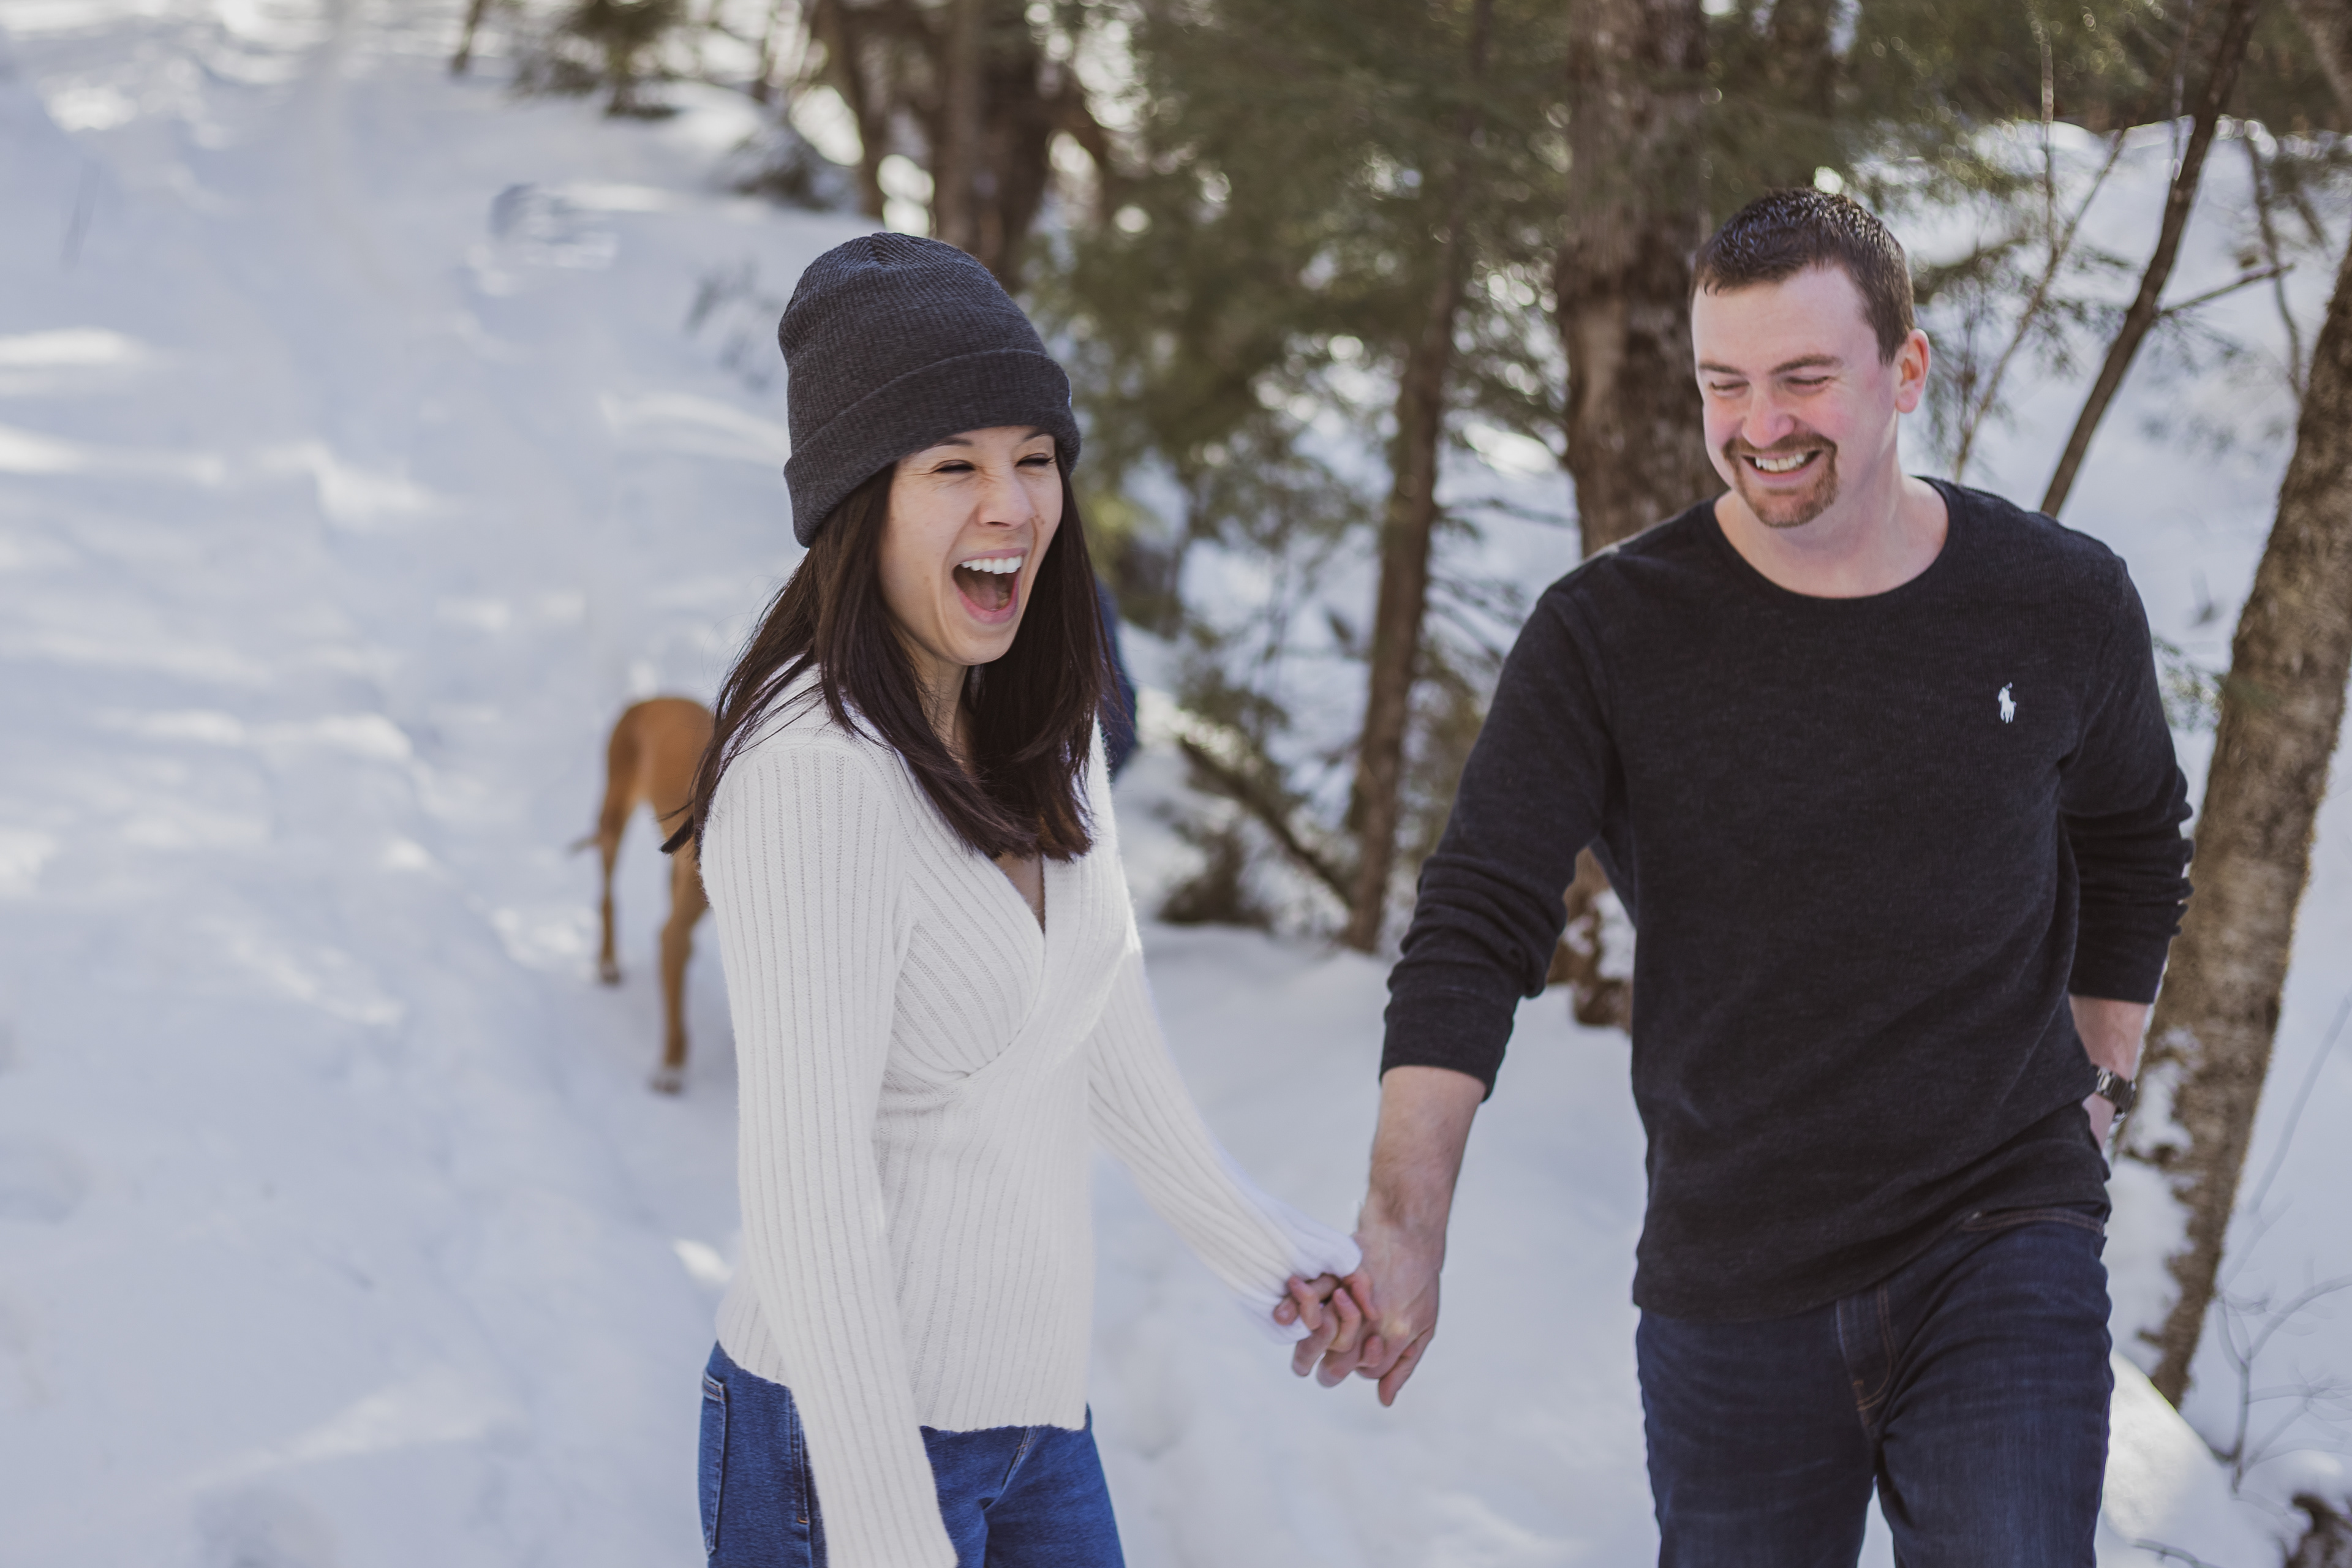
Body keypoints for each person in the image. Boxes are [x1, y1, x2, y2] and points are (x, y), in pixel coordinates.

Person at [1304, 190, 2193, 1565]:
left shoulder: (2058, 597)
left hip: (2000, 1230)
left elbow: (2135, 835)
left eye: (1803, 377)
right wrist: (1405, 1220)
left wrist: (2102, 1078)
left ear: (1906, 369)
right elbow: (1480, 916)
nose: (1760, 423)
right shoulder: (1607, 634)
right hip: (1732, 1267)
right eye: (1725, 382)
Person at [674, 233, 1360, 1568]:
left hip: (1039, 1425)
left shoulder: (1047, 718)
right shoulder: (815, 774)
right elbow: (808, 1194)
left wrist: (1267, 1251)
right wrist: (888, 1526)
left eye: (1034, 457)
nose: (1011, 505)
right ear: (859, 500)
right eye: (954, 466)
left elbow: (1101, 1021)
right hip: (840, 1448)